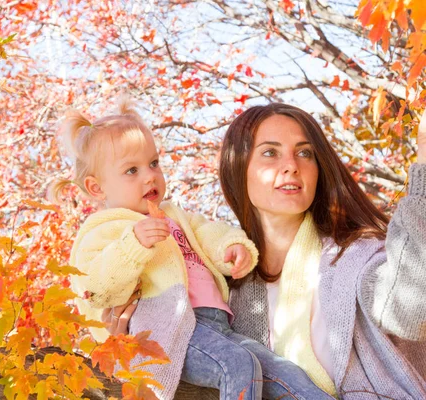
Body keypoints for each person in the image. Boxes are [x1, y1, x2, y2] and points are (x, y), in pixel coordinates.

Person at [107, 103, 426, 399]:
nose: (291, 166)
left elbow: (408, 313)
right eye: (270, 153)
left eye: (305, 153)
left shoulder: (356, 258)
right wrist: (128, 344)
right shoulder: (220, 284)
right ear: (238, 169)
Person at [50, 98, 334, 400]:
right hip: (173, 330)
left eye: (154, 163)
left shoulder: (175, 216)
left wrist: (233, 247)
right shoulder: (104, 230)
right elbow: (95, 286)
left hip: (218, 325)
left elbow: (210, 233)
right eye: (131, 171)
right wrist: (133, 245)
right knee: (238, 364)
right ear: (97, 188)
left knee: (285, 373)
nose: (149, 175)